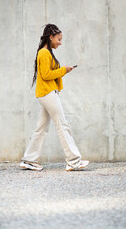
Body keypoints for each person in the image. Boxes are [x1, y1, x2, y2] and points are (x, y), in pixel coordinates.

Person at [20, 23, 89, 171]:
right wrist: (63, 70)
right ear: (51, 37)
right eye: (59, 39)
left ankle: (29, 160)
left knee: (41, 128)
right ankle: (74, 161)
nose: (60, 42)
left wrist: (64, 70)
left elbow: (48, 73)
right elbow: (46, 75)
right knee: (62, 125)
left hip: (45, 93)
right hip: (48, 93)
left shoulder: (46, 52)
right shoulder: (44, 53)